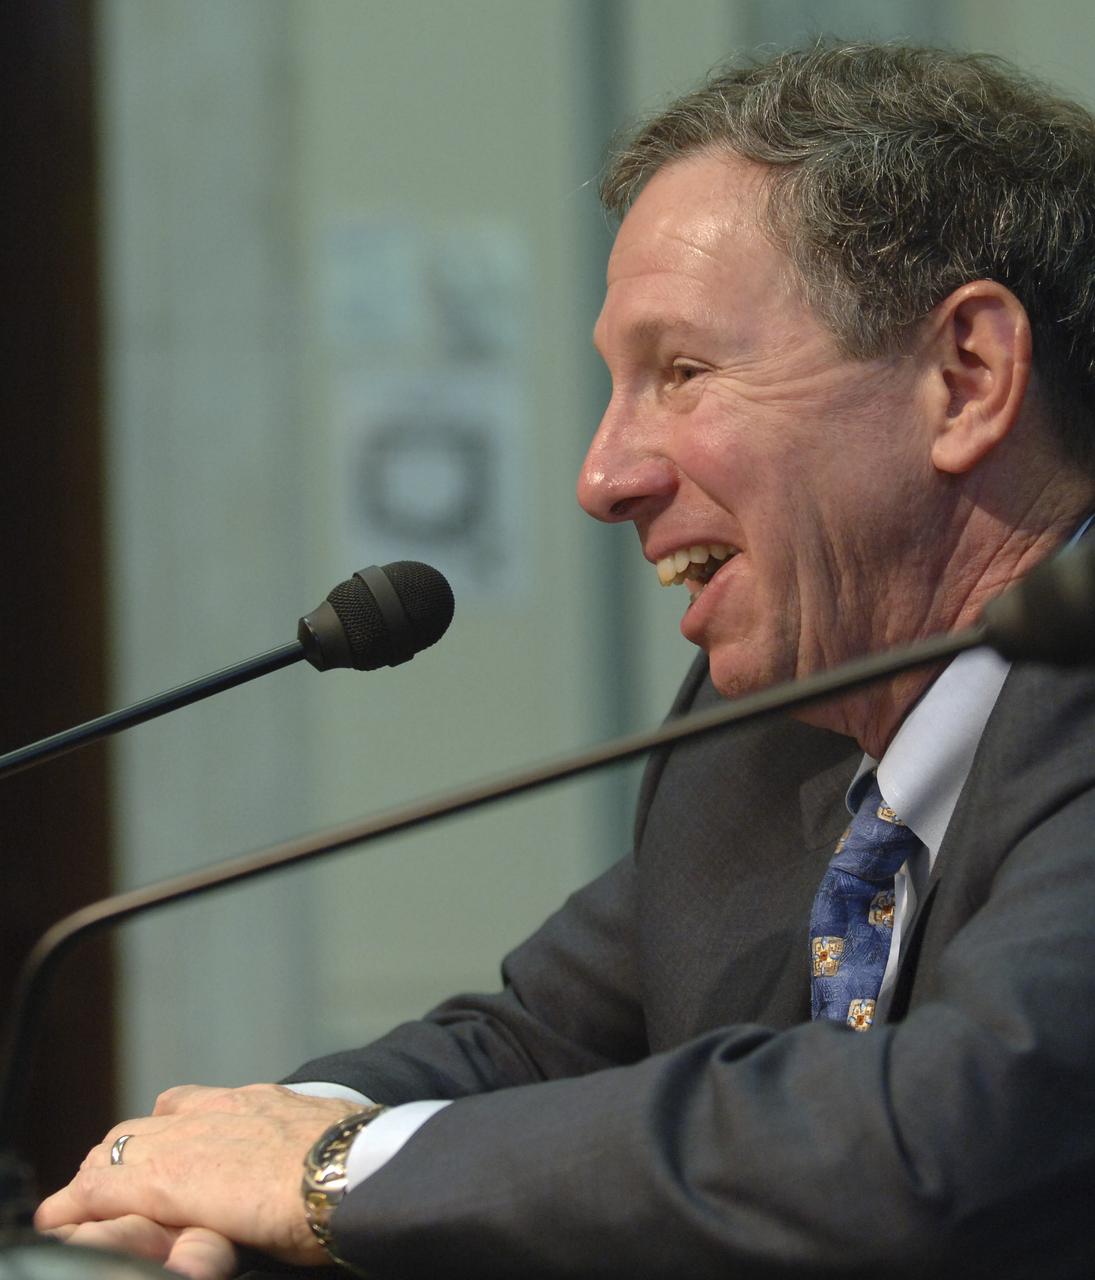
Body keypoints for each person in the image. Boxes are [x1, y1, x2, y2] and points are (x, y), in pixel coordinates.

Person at [35, 40, 1095, 1279]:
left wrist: (325, 1177)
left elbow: (943, 1134)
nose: (603, 477)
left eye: (683, 372)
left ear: (965, 376)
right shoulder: (772, 730)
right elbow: (524, 1050)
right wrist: (200, 1180)